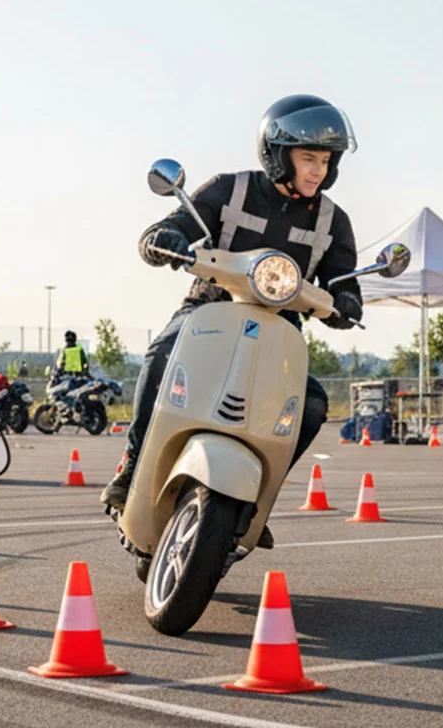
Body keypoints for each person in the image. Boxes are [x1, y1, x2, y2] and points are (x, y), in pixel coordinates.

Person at [101, 94, 364, 549]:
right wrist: (165, 238)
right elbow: (177, 224)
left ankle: (259, 496)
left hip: (280, 330)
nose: (318, 171)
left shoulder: (332, 220)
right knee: (162, 353)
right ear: (278, 154)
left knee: (313, 404)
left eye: (325, 160)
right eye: (308, 158)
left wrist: (347, 301)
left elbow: (344, 280)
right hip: (209, 310)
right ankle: (132, 463)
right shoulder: (231, 189)